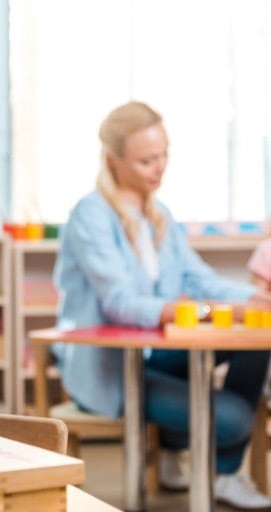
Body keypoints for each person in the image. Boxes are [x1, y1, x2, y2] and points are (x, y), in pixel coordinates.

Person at [53, 101, 271, 510]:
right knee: (236, 418)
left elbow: (198, 278)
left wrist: (254, 300)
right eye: (146, 160)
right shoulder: (91, 215)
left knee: (258, 338)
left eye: (164, 155)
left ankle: (221, 474)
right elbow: (121, 303)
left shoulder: (160, 215)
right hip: (113, 367)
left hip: (157, 354)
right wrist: (206, 309)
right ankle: (182, 444)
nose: (160, 168)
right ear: (114, 160)